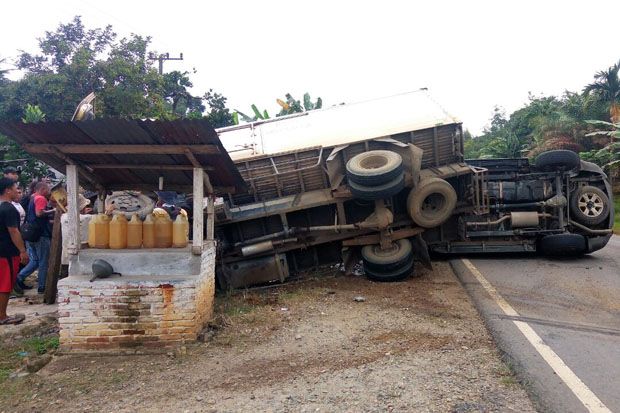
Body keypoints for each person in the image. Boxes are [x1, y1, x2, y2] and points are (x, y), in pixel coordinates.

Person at [15, 182, 53, 294]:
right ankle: (42, 286)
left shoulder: (32, 198)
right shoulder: (41, 198)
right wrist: (53, 211)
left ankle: (18, 277)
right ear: (42, 189)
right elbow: (39, 213)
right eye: (48, 189)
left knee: (35, 260)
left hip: (30, 234)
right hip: (41, 235)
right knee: (43, 261)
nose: (49, 191)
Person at [0, 177, 28, 325]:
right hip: (7, 252)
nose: (17, 191)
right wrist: (22, 251)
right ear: (7, 190)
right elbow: (13, 231)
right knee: (5, 284)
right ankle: (2, 316)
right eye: (15, 188)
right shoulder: (8, 208)